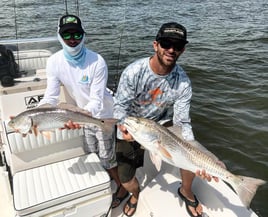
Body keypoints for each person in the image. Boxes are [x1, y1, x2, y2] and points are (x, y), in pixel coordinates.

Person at [113, 22, 222, 217]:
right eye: (166, 43)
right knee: (126, 178)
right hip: (132, 125)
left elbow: (182, 122)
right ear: (156, 45)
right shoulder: (133, 72)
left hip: (162, 125)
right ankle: (135, 194)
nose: (171, 50)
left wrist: (201, 156)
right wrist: (124, 130)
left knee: (188, 151)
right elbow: (120, 108)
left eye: (177, 46)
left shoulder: (183, 82)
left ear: (183, 50)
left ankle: (186, 190)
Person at [38, 14, 121, 189]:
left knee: (107, 157)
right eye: (67, 35)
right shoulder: (54, 62)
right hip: (81, 116)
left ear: (83, 35)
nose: (72, 39)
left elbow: (96, 100)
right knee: (90, 152)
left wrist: (78, 116)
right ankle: (101, 182)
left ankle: (120, 187)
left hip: (102, 114)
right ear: (59, 36)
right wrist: (36, 113)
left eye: (77, 34)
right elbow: (50, 97)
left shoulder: (97, 61)